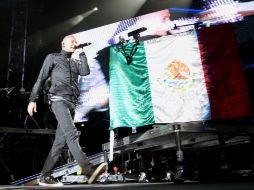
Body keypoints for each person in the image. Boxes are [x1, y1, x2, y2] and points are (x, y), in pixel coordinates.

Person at [27, 35, 106, 187]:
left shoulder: (75, 62)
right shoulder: (53, 58)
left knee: (59, 142)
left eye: (76, 42)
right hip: (58, 100)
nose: (75, 43)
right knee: (71, 134)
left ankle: (45, 176)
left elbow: (85, 72)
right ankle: (89, 170)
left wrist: (82, 53)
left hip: (71, 104)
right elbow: (41, 77)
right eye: (72, 41)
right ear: (63, 44)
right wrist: (32, 99)